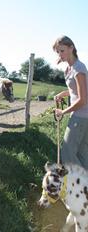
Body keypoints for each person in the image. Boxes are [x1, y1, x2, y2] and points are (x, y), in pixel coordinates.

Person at [53, 35, 88, 169]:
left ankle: (79, 183)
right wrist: (64, 93)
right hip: (82, 116)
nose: (59, 54)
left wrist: (63, 111)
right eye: (57, 52)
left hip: (81, 117)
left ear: (71, 48)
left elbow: (83, 99)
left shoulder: (78, 68)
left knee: (67, 153)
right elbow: (77, 90)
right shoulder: (70, 68)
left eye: (62, 50)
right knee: (82, 154)